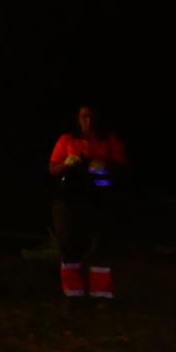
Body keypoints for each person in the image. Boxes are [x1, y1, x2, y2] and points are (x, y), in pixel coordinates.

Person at [48, 104, 127, 300]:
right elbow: (52, 169)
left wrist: (105, 166)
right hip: (70, 200)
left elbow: (123, 168)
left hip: (100, 200)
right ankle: (73, 295)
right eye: (84, 117)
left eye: (92, 117)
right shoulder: (67, 139)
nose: (88, 121)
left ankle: (101, 295)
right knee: (69, 245)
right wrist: (66, 163)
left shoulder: (109, 140)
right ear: (78, 118)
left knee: (100, 246)